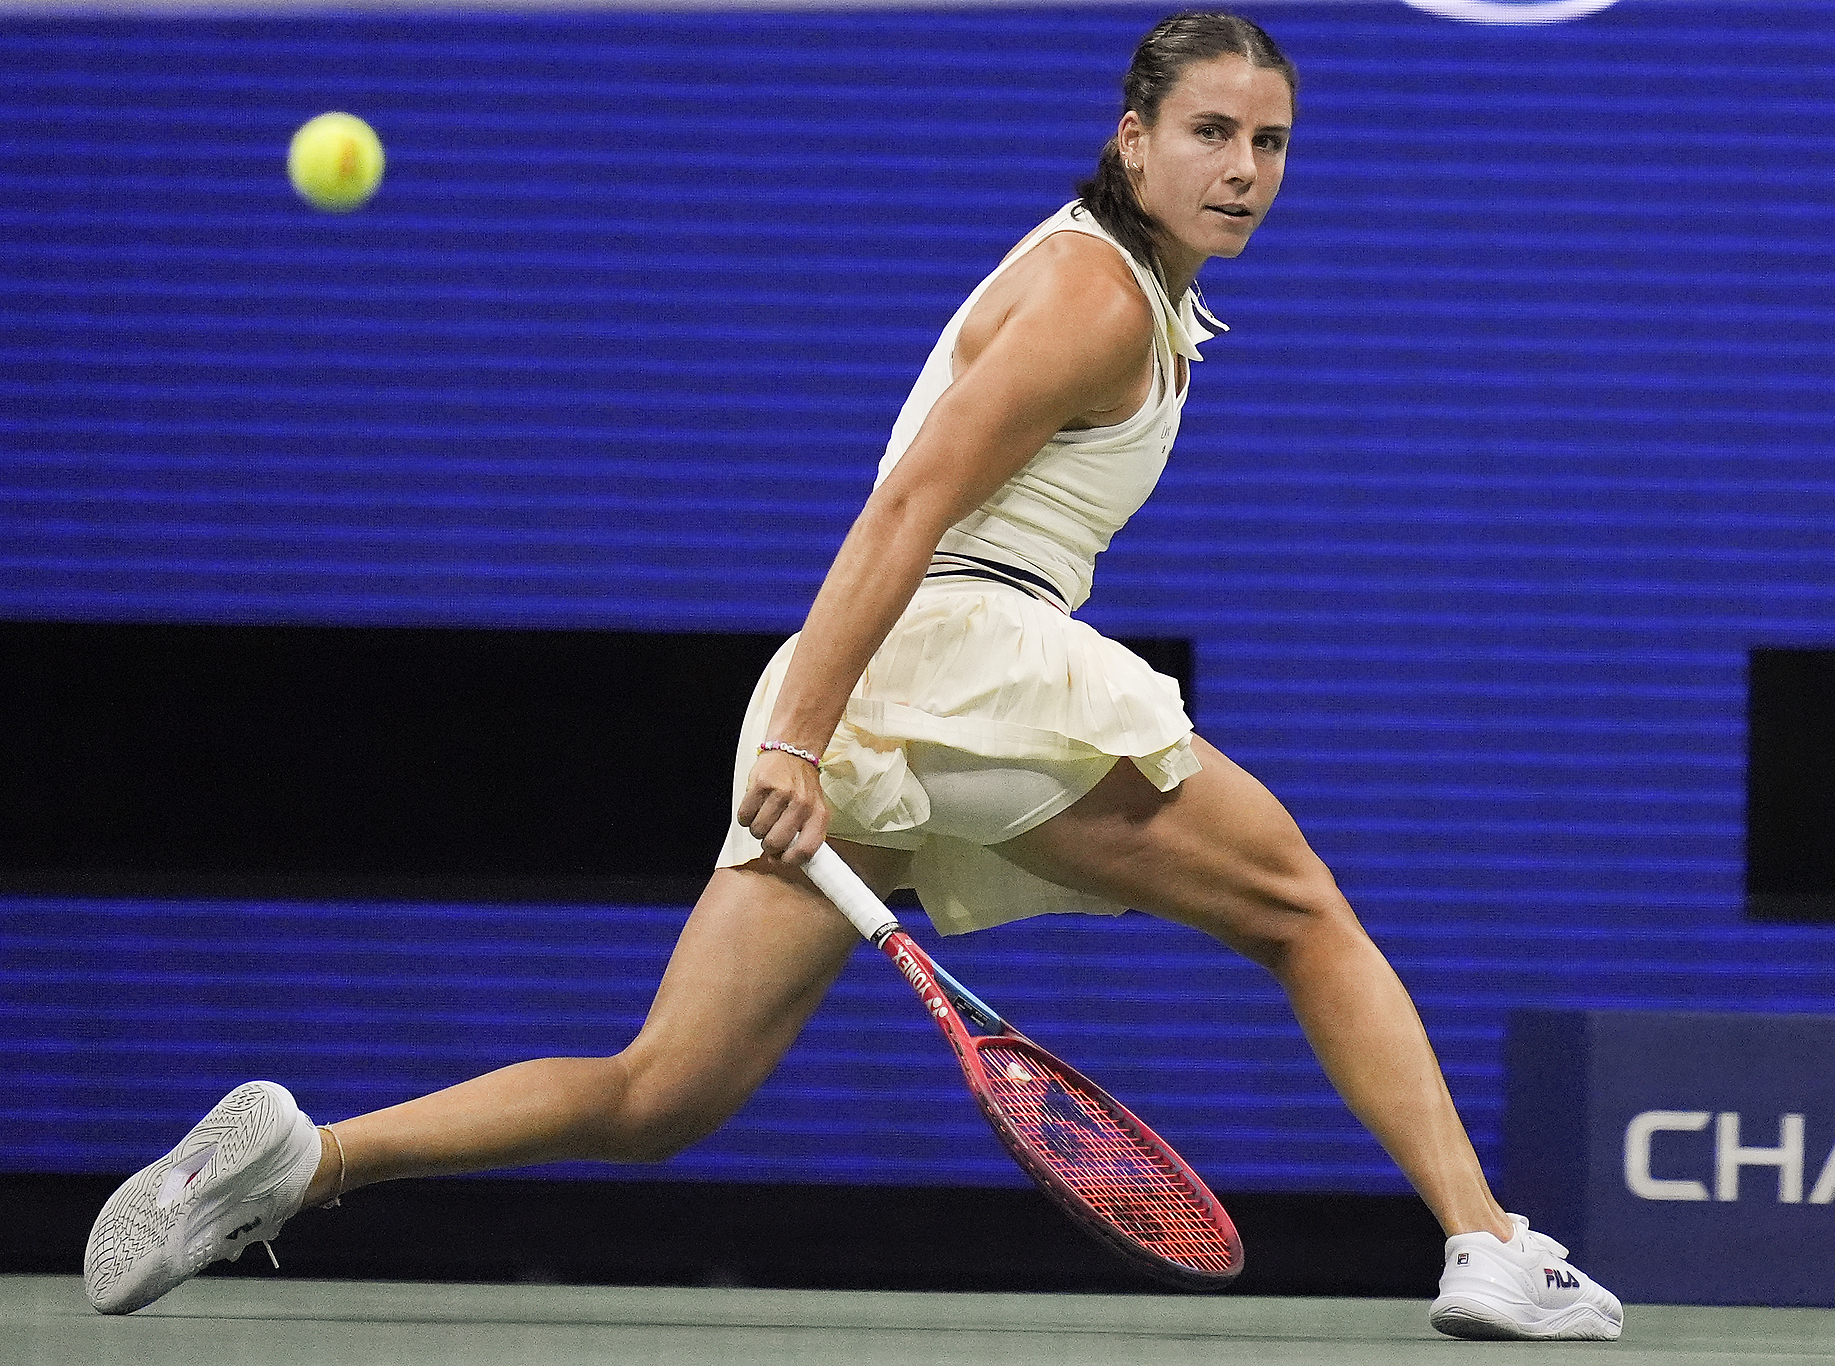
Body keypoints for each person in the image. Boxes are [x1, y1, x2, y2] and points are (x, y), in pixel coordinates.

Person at [83, 12, 1621, 1341]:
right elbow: (908, 508)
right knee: (1300, 910)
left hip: (889, 690)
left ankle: (303, 1157)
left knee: (660, 1093)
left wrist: (819, 729)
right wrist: (808, 736)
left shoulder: (1128, 284)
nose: (1244, 169)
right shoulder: (1092, 298)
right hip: (953, 663)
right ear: (1131, 139)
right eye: (1209, 132)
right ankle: (1487, 1239)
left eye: (1272, 142)